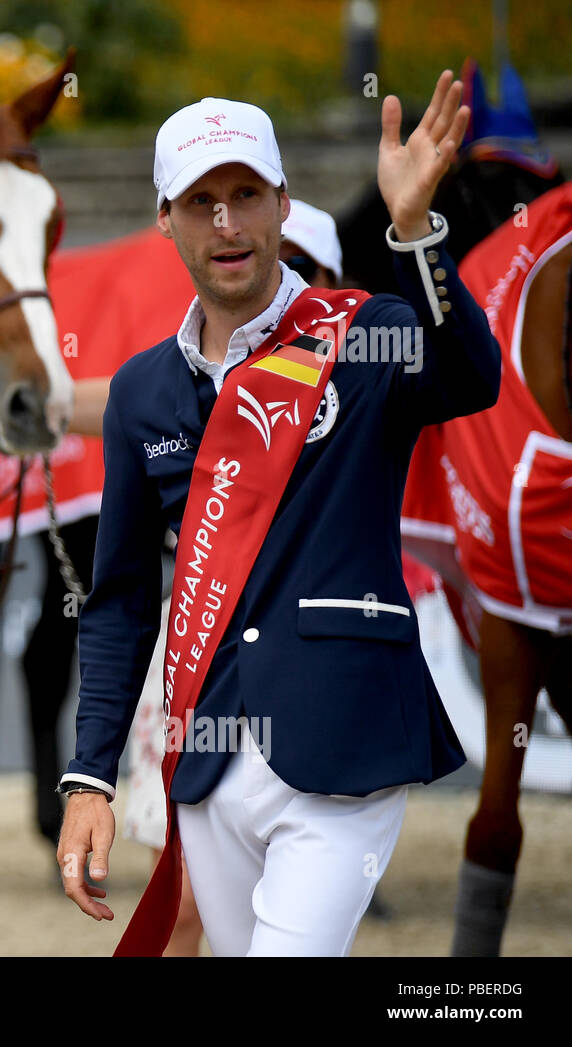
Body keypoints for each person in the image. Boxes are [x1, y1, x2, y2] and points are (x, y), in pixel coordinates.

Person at [57, 71, 502, 956]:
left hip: (347, 746)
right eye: (201, 202)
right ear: (165, 219)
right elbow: (118, 603)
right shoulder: (142, 390)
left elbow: (470, 375)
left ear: (281, 203)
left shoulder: (364, 331)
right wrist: (88, 777)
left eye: (246, 195)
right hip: (208, 755)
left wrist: (414, 229)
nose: (227, 224)